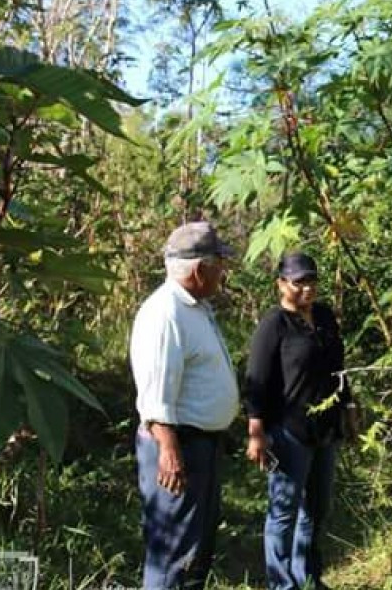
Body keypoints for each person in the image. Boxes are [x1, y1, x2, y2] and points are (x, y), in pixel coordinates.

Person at [129, 221, 239, 590]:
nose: (223, 273)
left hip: (199, 445)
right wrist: (169, 451)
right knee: (173, 554)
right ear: (199, 269)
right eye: (220, 265)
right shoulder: (165, 314)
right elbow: (155, 393)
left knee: (195, 551)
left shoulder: (194, 307)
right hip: (177, 448)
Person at [244, 251, 358, 590]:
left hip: (325, 427)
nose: (306, 289)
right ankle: (282, 583)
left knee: (317, 508)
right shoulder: (273, 325)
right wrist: (256, 431)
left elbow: (338, 366)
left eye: (311, 281)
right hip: (289, 430)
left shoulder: (323, 317)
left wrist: (349, 405)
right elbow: (256, 381)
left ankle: (308, 576)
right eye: (298, 282)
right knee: (284, 511)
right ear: (281, 284)